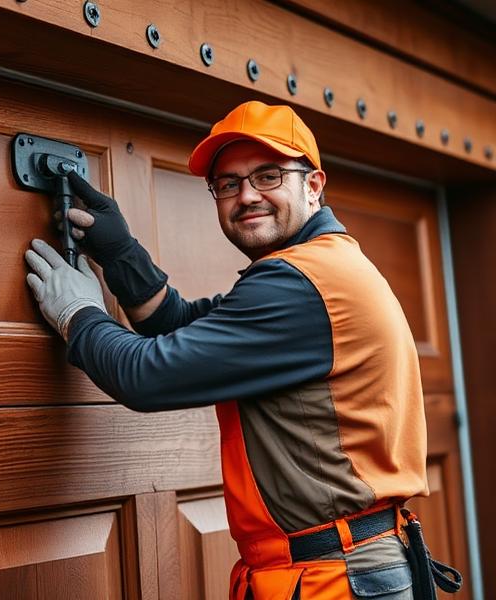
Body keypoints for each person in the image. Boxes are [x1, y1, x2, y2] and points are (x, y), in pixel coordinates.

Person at [24, 101, 429, 599]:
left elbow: (147, 376)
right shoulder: (320, 269)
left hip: (336, 578)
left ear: (313, 185)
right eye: (228, 184)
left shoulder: (301, 283)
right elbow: (178, 325)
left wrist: (79, 314)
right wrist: (119, 252)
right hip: (341, 568)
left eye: (268, 176)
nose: (247, 195)